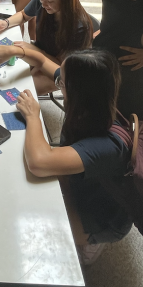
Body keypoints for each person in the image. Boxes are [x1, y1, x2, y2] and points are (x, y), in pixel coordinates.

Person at [15, 49, 134, 265]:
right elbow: (42, 60)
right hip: (84, 185)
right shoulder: (95, 101)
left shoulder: (107, 145)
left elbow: (39, 163)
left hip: (103, 220)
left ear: (78, 91)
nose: (58, 82)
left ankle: (90, 240)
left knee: (29, 221)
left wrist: (34, 116)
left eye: (62, 83)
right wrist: (17, 51)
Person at [0, 0, 93, 95]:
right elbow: (23, 15)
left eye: (50, 0)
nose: (43, 4)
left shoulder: (79, 27)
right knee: (4, 75)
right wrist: (6, 22)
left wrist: (33, 51)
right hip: (43, 55)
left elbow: (60, 67)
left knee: (19, 92)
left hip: (61, 70)